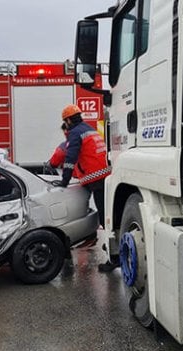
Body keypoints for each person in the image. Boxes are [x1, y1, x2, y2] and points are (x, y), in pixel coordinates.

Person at [55, 104, 116, 270]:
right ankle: (113, 248)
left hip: (95, 177)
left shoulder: (75, 133)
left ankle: (114, 257)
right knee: (107, 213)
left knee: (104, 217)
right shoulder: (88, 128)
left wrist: (64, 181)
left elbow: (70, 159)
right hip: (105, 174)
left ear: (67, 120)